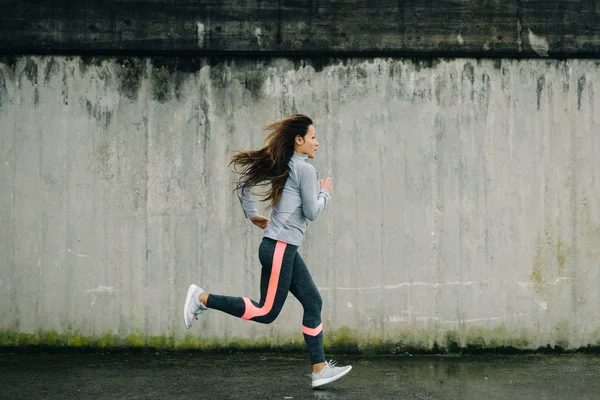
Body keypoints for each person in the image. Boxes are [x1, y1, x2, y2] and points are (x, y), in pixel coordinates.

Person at [183, 114, 352, 388]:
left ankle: (320, 368)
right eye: (312, 137)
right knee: (266, 312)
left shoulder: (286, 165)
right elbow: (312, 212)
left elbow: (243, 185)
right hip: (280, 248)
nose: (317, 143)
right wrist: (326, 193)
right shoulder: (306, 170)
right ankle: (202, 298)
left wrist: (252, 215)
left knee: (313, 302)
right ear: (299, 140)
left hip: (283, 248)